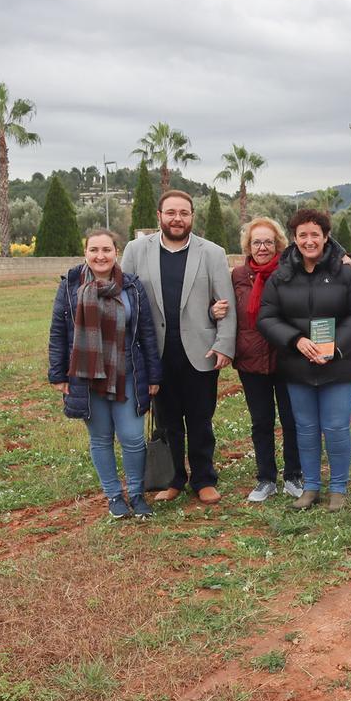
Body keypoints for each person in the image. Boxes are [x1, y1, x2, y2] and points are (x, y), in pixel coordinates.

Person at [121, 190, 236, 505]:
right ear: (158, 216)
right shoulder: (135, 251)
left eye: (184, 213)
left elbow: (225, 304)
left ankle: (203, 479)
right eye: (171, 212)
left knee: (201, 419)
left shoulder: (212, 253)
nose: (177, 218)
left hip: (201, 351)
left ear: (192, 217)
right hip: (156, 354)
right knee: (167, 421)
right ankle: (173, 479)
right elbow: (124, 301)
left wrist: (224, 344)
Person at [257, 209, 351, 511]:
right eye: (302, 235)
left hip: (339, 366)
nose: (309, 241)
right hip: (297, 365)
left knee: (336, 426)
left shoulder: (346, 274)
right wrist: (295, 340)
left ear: (325, 237)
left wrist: (337, 347)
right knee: (305, 428)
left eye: (315, 234)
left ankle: (338, 488)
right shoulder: (281, 277)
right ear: (294, 239)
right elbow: (267, 317)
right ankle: (310, 487)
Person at [48, 229, 162, 519]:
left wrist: (153, 376)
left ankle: (136, 495)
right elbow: (59, 332)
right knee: (100, 438)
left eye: (107, 250)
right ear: (85, 252)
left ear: (116, 252)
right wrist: (58, 375)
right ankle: (114, 496)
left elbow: (146, 333)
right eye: (94, 250)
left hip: (128, 374)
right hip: (86, 377)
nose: (100, 256)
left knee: (132, 437)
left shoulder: (133, 287)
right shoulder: (71, 285)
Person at [230, 217, 304, 502]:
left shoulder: (291, 273)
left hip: (286, 358)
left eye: (268, 242)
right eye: (257, 242)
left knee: (291, 419)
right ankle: (265, 479)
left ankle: (294, 475)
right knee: (261, 420)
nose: (262, 247)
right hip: (251, 359)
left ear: (279, 245)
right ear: (248, 246)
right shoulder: (237, 276)